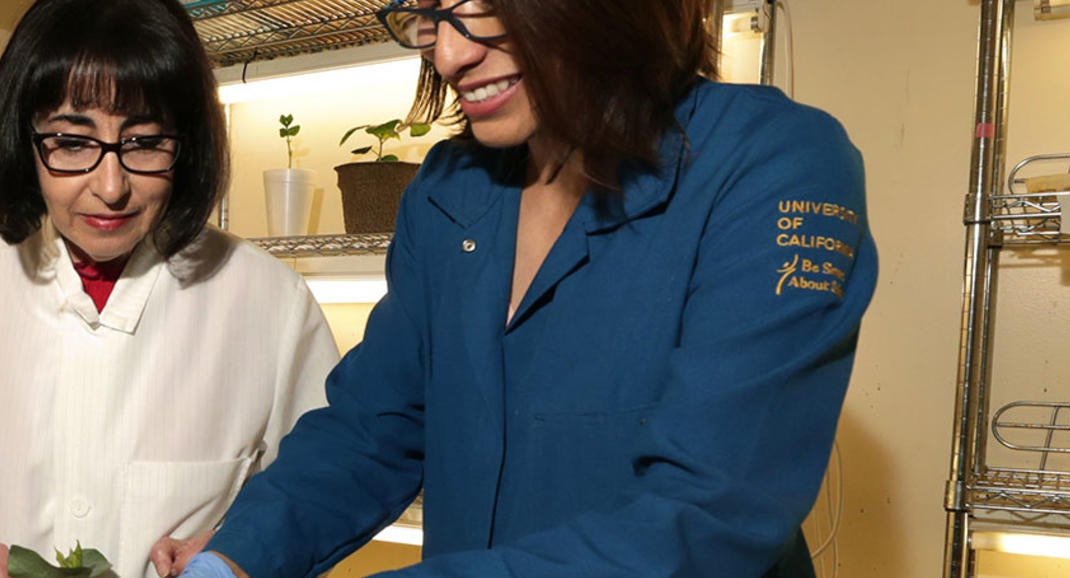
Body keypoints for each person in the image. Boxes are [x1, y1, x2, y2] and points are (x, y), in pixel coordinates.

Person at [169, 0, 877, 576]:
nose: (448, 54)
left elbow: (706, 516)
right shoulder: (449, 191)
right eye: (429, 12)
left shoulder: (773, 165)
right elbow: (372, 429)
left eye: (484, 4)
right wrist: (236, 557)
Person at [0, 1, 340, 577]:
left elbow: (320, 482)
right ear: (25, 142)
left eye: (143, 143)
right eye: (72, 142)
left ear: (186, 144)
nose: (111, 187)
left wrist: (238, 546)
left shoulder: (269, 303)